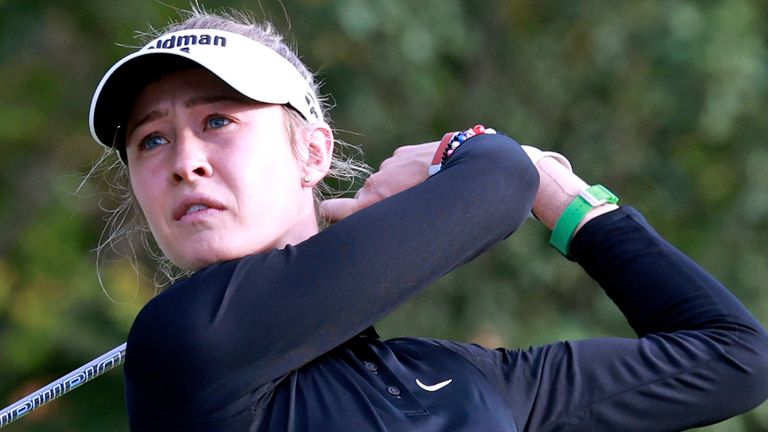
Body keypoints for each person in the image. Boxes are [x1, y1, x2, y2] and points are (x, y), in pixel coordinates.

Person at [87, 8, 768, 432]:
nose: (185, 162)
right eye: (152, 139)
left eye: (216, 121)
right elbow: (498, 179)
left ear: (314, 152)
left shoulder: (461, 381)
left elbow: (734, 357)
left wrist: (571, 204)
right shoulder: (182, 344)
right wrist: (478, 154)